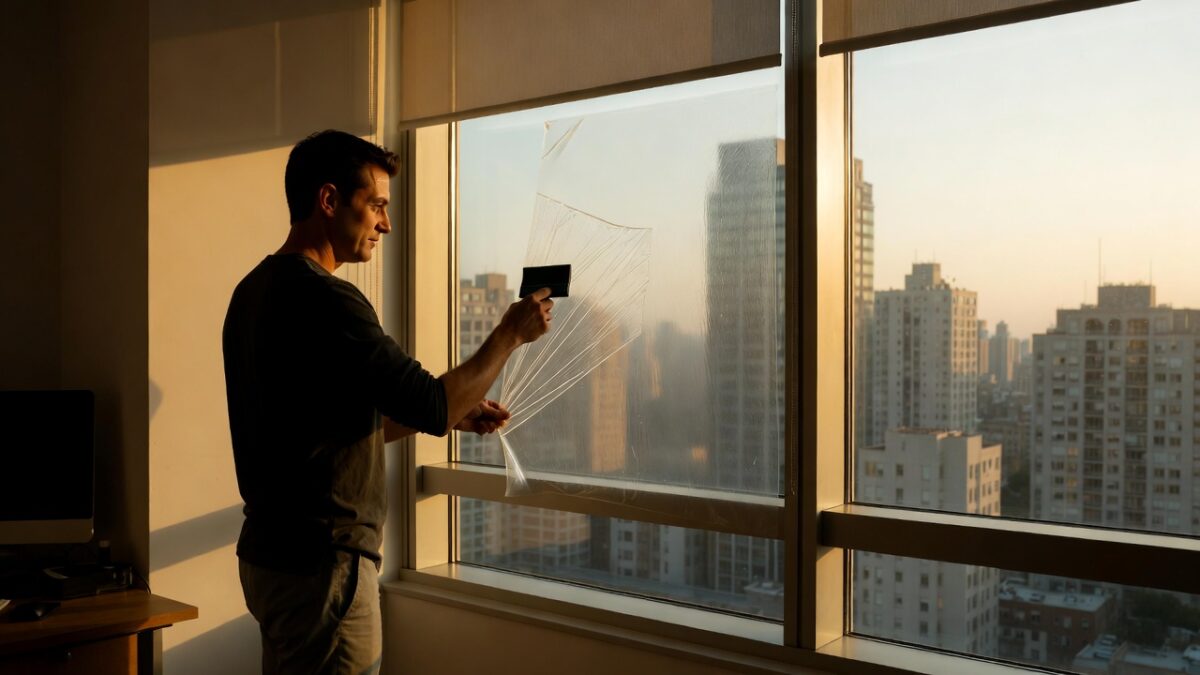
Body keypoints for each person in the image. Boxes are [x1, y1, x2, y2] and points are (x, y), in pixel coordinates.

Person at [223, 129, 552, 674]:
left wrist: (451, 410)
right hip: (324, 567)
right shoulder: (327, 299)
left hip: (271, 559)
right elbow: (428, 402)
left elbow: (323, 429)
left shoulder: (253, 292)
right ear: (329, 201)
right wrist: (509, 335)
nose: (386, 224)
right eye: (376, 205)